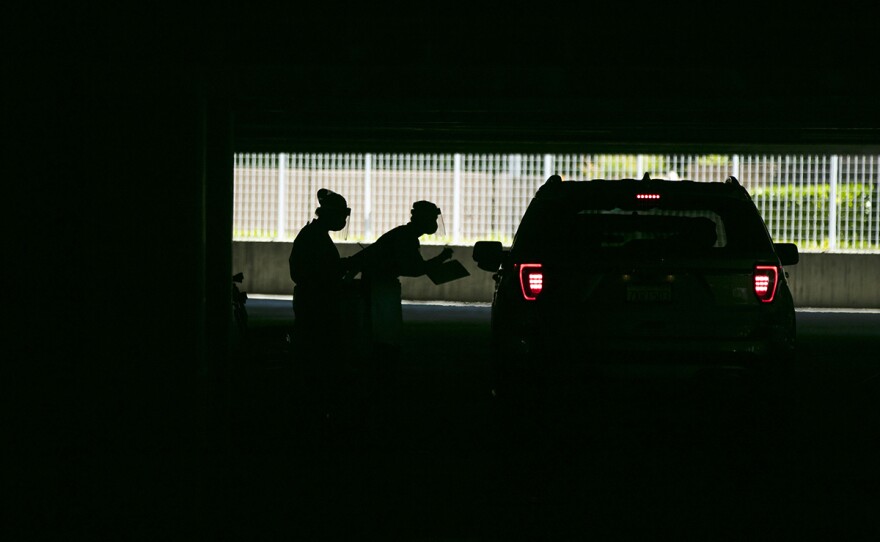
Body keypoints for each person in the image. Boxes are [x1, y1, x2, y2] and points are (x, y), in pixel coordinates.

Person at [288, 188, 363, 422]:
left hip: (313, 301)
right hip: (316, 304)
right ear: (329, 215)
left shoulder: (314, 234)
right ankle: (317, 406)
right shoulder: (315, 237)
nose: (343, 221)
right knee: (320, 354)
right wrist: (347, 265)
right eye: (341, 215)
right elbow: (319, 271)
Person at [360, 201, 453, 386]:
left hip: (380, 285)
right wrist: (441, 259)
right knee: (385, 334)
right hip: (380, 286)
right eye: (433, 218)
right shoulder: (406, 237)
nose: (435, 223)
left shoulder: (405, 234)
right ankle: (382, 376)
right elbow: (416, 268)